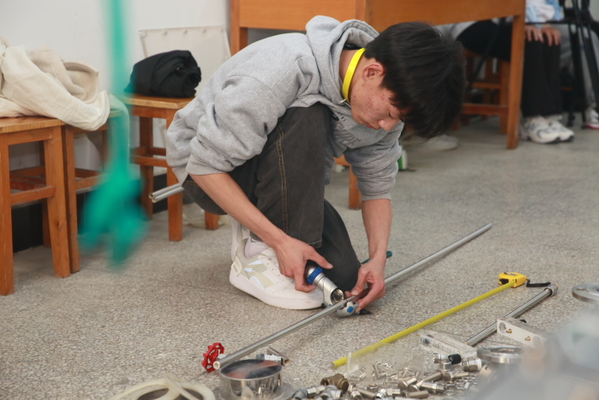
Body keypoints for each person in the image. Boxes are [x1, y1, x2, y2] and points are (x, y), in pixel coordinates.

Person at [166, 16, 465, 311]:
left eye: (398, 120)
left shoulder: (387, 106)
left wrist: (377, 260)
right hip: (208, 171)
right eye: (390, 113)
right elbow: (205, 166)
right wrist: (279, 242)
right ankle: (255, 250)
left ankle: (267, 228)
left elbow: (377, 189)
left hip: (284, 177)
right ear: (372, 71)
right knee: (310, 111)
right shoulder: (283, 68)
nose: (387, 126)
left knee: (345, 280)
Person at [438, 0, 574, 144]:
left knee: (549, 37)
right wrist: (526, 22)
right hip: (469, 21)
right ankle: (532, 119)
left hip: (503, 19)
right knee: (531, 39)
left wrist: (540, 23)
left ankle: (549, 116)